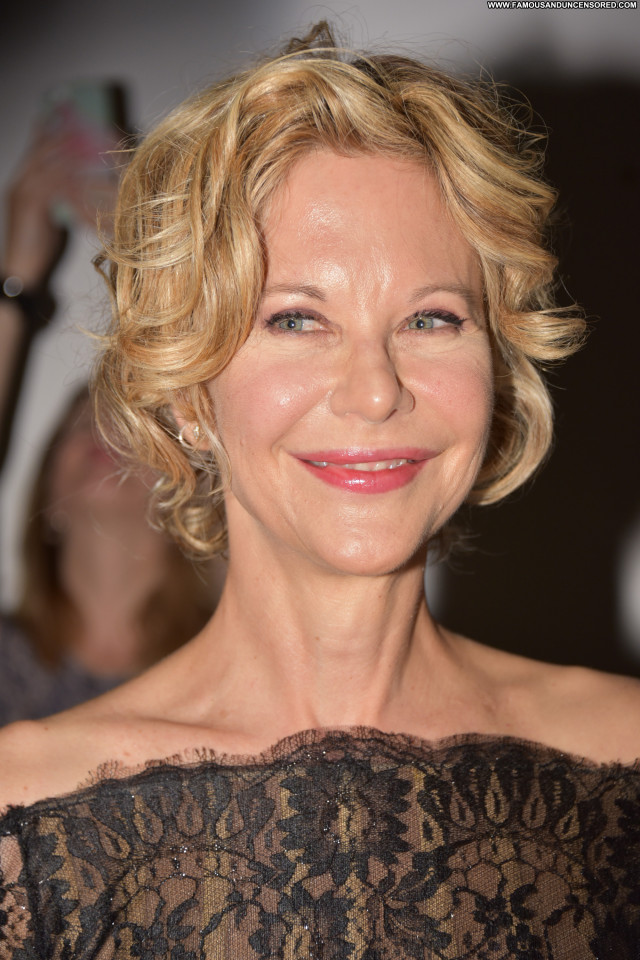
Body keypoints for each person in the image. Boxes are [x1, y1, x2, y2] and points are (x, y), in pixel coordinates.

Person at [1, 24, 639, 957]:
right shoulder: (26, 817)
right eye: (297, 319)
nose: (376, 390)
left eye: (432, 318)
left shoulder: (625, 762)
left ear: (498, 370)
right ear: (187, 393)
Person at [0, 386, 223, 723]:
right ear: (47, 496)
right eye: (82, 423)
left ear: (184, 502)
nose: (103, 433)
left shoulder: (224, 667)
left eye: (131, 427)